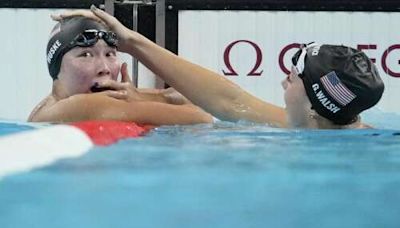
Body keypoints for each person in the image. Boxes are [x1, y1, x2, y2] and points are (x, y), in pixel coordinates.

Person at [53, 6, 385, 129]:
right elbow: (228, 101)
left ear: (316, 105)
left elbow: (206, 114)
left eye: (297, 71)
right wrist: (132, 42)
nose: (287, 76)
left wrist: (140, 103)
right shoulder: (320, 124)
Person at [28, 16, 213, 125]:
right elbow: (202, 116)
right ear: (56, 67)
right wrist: (141, 99)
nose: (105, 69)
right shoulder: (79, 106)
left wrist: (139, 97)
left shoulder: (51, 105)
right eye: (86, 55)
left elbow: (183, 97)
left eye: (110, 54)